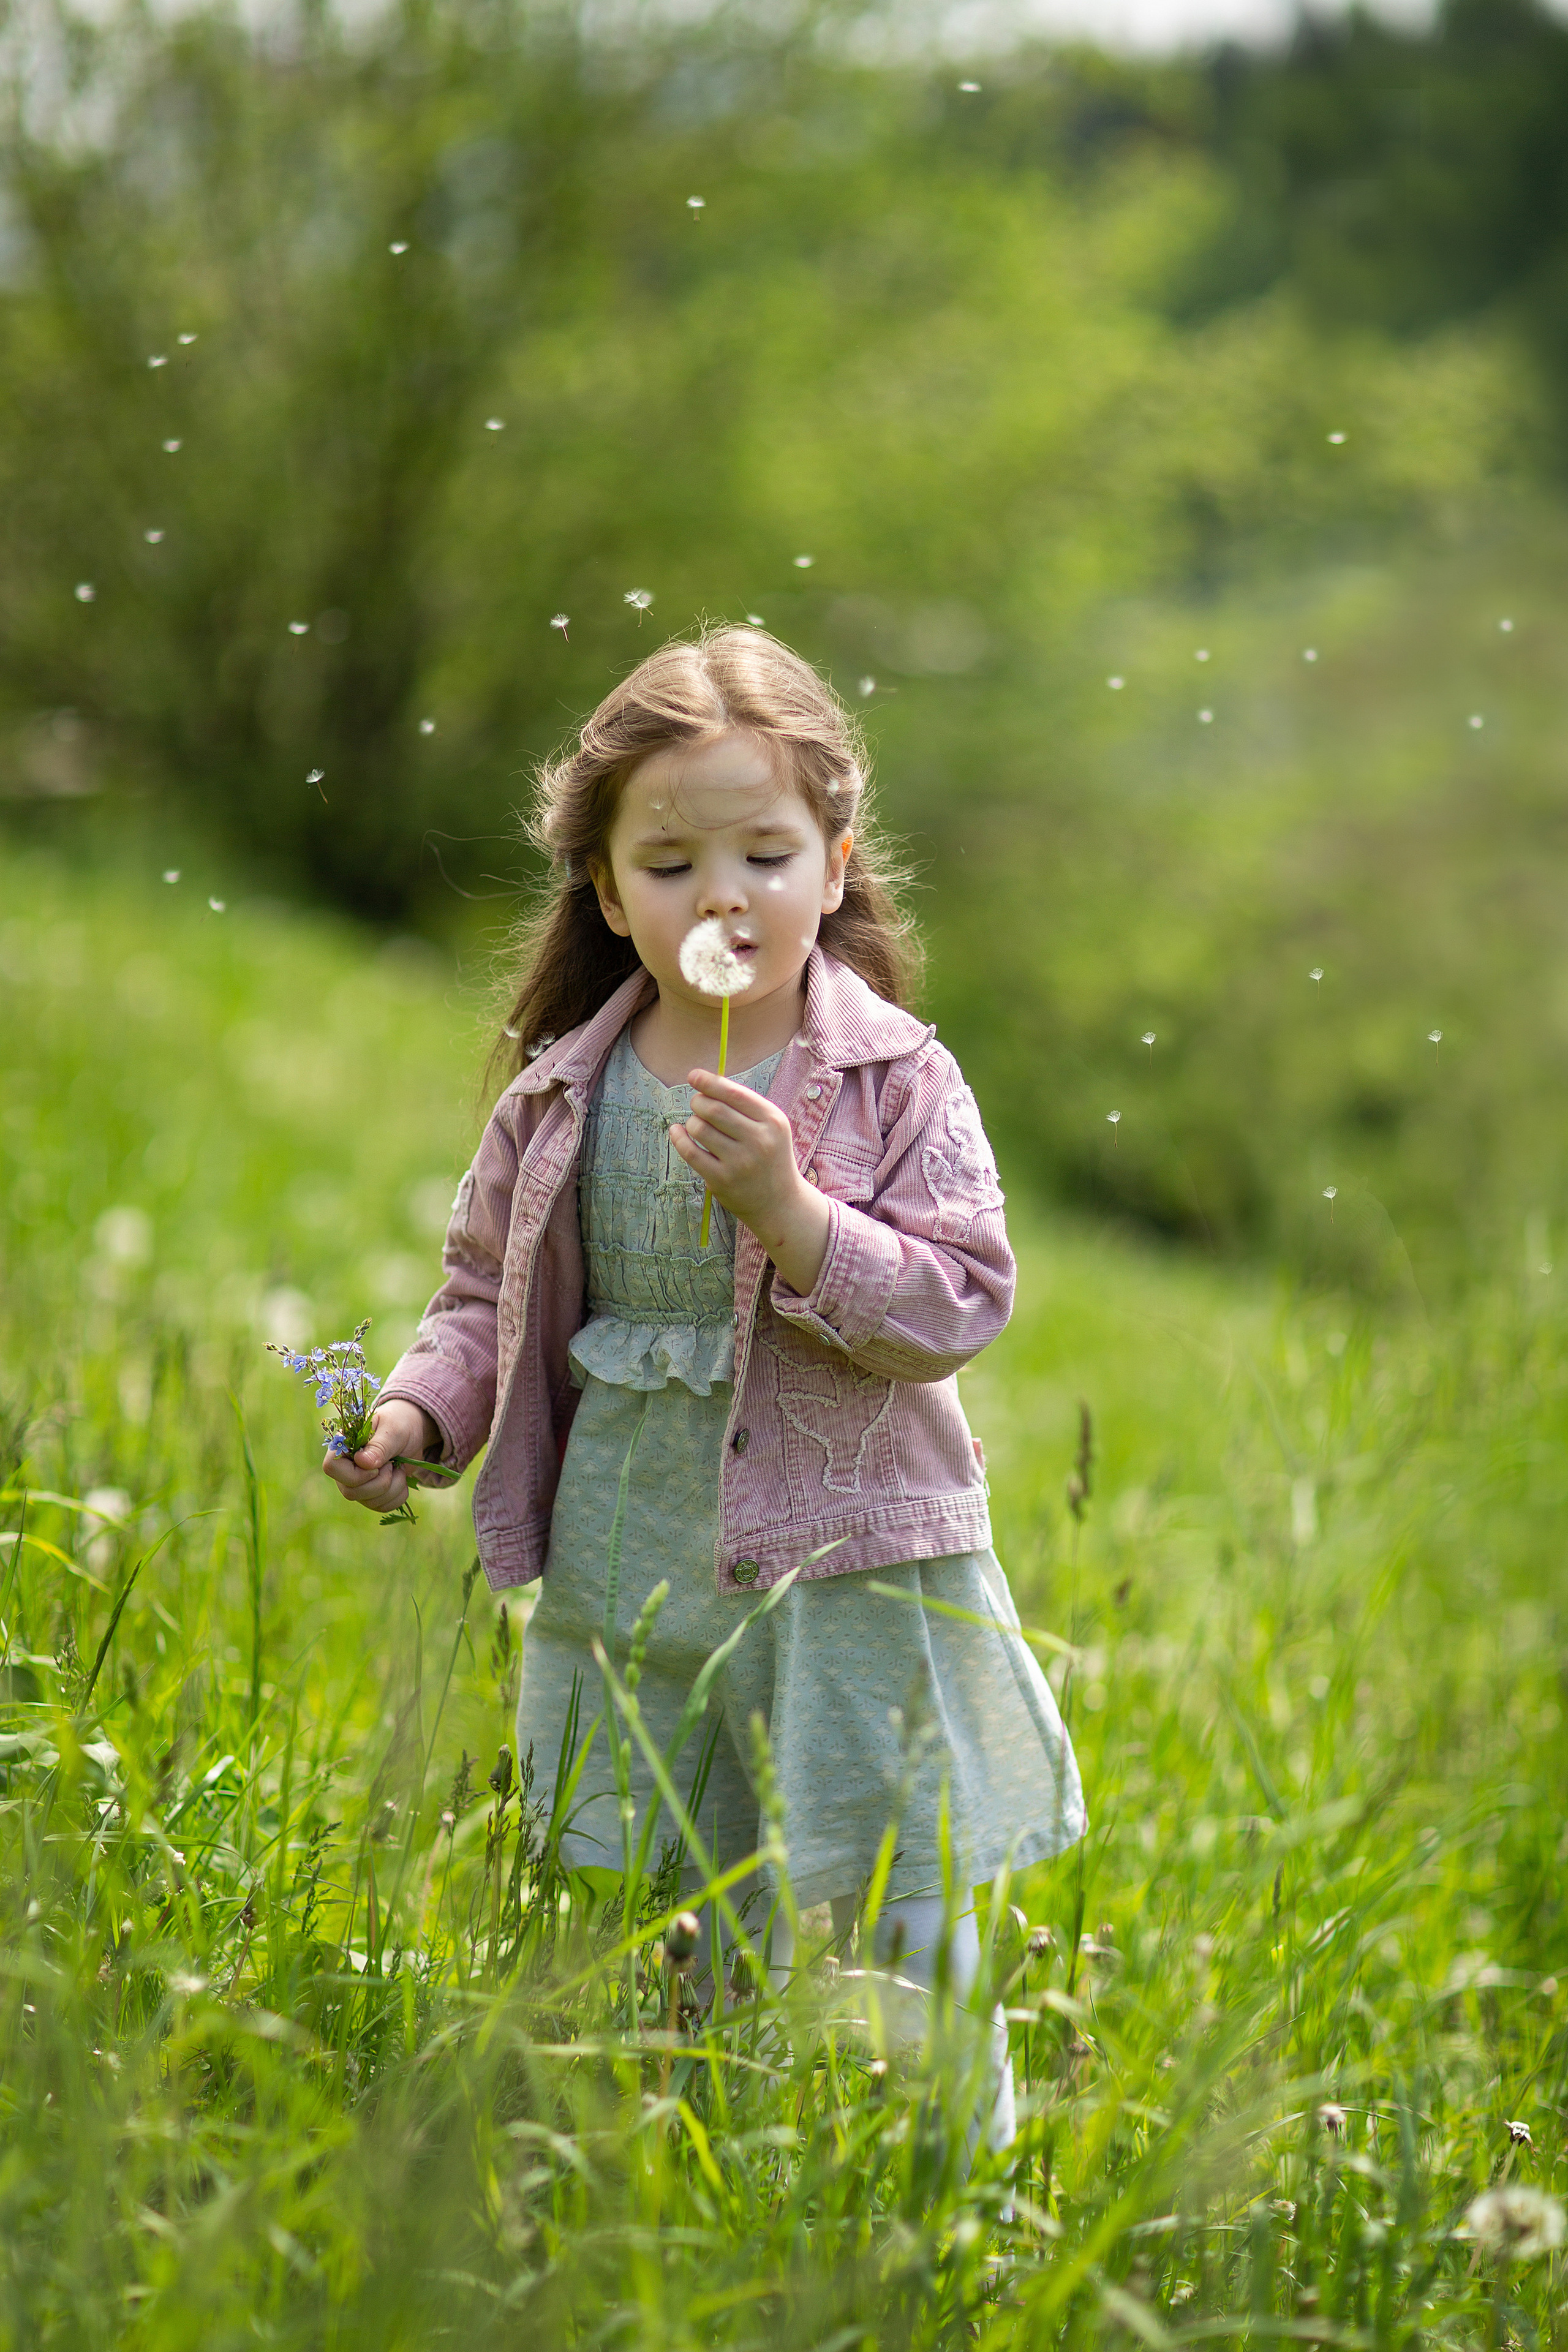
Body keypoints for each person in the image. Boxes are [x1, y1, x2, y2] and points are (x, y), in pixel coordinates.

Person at [325, 625, 1085, 2146]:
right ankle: (703, 2156)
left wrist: (798, 1220)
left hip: (855, 1565)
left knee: (900, 1895)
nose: (722, 895)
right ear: (608, 895)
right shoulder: (568, 1086)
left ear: (836, 865)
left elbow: (962, 1298)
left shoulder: (894, 1079)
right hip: (640, 1548)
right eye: (669, 866)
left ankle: (966, 2177)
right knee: (685, 1896)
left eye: (765, 853)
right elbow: (483, 1293)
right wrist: (420, 1411)